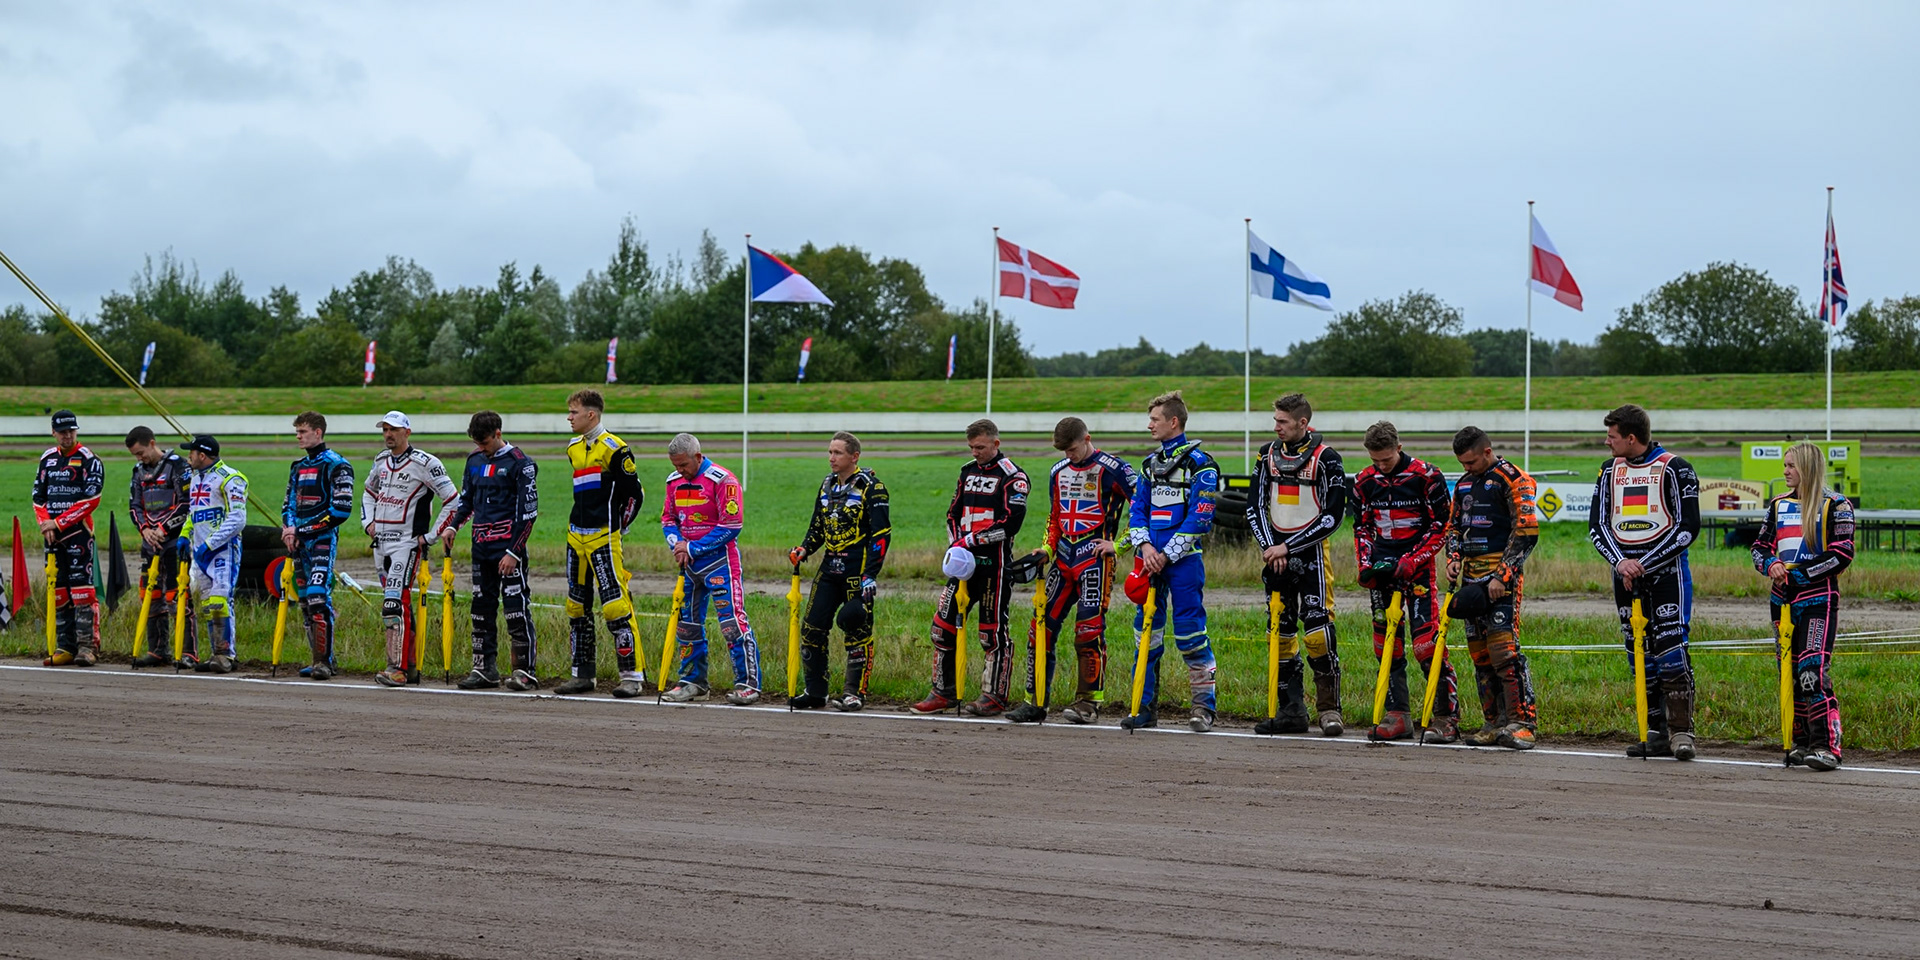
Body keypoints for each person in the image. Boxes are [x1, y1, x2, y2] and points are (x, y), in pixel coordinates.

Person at [1587, 404, 1703, 760]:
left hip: (1667, 574)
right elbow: (1597, 525)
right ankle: (1655, 730)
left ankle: (1682, 732)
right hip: (1625, 576)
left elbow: (1687, 528)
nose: (1607, 442)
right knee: (1641, 655)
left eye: (1612, 436)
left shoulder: (1676, 468)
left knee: (1670, 652)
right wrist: (1621, 562)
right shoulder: (1609, 471)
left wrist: (1644, 564)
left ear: (1631, 438)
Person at [1007, 416, 1137, 725]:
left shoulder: (1115, 469)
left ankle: (1088, 703)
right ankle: (1034, 701)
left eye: (1072, 448)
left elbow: (1143, 510)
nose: (1068, 455)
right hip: (1063, 557)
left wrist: (1118, 546)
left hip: (1096, 558)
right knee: (1039, 629)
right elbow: (1054, 516)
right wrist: (1046, 549)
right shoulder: (1057, 471)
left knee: (1088, 633)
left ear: (1087, 438)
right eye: (1063, 450)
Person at [910, 419, 1029, 717]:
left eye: (980, 447)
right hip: (962, 565)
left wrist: (971, 541)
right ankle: (942, 692)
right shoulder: (967, 472)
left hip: (994, 566)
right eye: (971, 447)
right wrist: (956, 543)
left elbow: (1011, 524)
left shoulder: (1014, 477)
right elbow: (952, 513)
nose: (975, 452)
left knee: (991, 633)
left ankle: (994, 696)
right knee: (942, 627)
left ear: (996, 444)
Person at [1348, 421, 1455, 742]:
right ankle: (1398, 714)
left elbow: (1441, 528)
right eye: (1375, 460)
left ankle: (1446, 717)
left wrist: (1412, 561)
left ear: (1399, 447)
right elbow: (1362, 528)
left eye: (1386, 460)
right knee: (1385, 645)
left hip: (1417, 569)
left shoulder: (1427, 476)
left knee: (1426, 645)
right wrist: (1365, 565)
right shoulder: (1364, 481)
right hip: (1382, 570)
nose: (1381, 466)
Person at [1247, 393, 1347, 736]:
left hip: (1312, 555)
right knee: (1281, 632)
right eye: (1275, 420)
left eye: (1283, 422)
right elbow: (1255, 506)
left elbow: (1333, 516)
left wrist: (1288, 546)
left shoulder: (1327, 458)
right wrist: (1270, 546)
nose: (1276, 427)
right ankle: (1291, 710)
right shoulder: (1266, 455)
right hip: (1274, 554)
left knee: (1318, 633)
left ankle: (1330, 711)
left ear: (1302, 423)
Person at [1751, 441, 1854, 772]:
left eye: (1791, 466)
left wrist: (1801, 576)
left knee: (1811, 672)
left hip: (1818, 599)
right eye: (1784, 465)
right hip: (1781, 601)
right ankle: (1800, 741)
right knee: (1789, 673)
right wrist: (1771, 566)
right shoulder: (1778, 504)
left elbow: (1842, 553)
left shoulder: (1836, 505)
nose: (1785, 471)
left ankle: (1827, 745)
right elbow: (1759, 547)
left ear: (1807, 468)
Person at [1122, 391, 1221, 732]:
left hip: (1183, 562)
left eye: (1155, 419)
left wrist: (1166, 554)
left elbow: (1201, 517)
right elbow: (1137, 511)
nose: (1149, 425)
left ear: (1173, 422)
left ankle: (1203, 710)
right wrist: (1147, 548)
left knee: (1191, 635)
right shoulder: (1149, 464)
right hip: (1148, 562)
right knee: (1146, 635)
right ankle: (1143, 706)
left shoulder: (1202, 464)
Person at [1443, 426, 1540, 750]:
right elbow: (1453, 527)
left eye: (1470, 462)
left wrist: (1502, 576)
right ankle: (1493, 722)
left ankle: (1522, 723)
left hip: (1501, 582)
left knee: (1504, 652)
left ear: (1487, 452)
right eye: (1461, 463)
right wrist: (1453, 558)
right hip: (1471, 581)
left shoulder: (1513, 478)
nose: (1465, 469)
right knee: (1480, 655)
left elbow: (1526, 532)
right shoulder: (1465, 483)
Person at [788, 431, 892, 712]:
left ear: (854, 456)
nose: (831, 458)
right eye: (830, 452)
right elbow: (817, 527)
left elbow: (881, 534)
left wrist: (871, 574)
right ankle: (815, 692)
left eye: (838, 453)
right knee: (811, 627)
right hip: (829, 566)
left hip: (857, 568)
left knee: (855, 626)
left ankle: (854, 694)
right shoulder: (826, 485)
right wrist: (805, 549)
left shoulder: (873, 487)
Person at [437, 411, 540, 691]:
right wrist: (453, 527)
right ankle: (484, 669)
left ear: (498, 433)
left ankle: (524, 671)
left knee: (516, 610)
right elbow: (466, 501)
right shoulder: (473, 461)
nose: (480, 448)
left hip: (508, 551)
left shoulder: (522, 464)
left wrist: (514, 553)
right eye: (476, 443)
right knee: (480, 610)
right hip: (480, 549)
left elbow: (528, 515)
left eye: (484, 442)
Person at [557, 390, 646, 697]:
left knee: (615, 606)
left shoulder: (615, 449)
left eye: (573, 412)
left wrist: (618, 528)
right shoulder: (573, 447)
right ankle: (582, 675)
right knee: (576, 607)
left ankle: (632, 676)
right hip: (575, 537)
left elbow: (636, 494)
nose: (569, 417)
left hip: (603, 538)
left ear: (590, 415)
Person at [659, 432, 760, 704]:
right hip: (688, 566)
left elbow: (731, 525)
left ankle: (747, 684)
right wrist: (677, 543)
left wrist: (693, 547)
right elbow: (668, 518)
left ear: (698, 457)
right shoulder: (674, 482)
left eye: (684, 465)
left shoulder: (723, 480)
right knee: (687, 626)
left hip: (721, 564)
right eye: (675, 465)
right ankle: (693, 682)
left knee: (731, 623)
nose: (680, 470)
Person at [361, 411, 460, 688]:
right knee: (398, 604)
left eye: (393, 430)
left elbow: (453, 500)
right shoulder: (380, 461)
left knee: (393, 604)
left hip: (407, 544)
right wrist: (367, 522)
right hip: (379, 544)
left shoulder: (426, 463)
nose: (388, 435)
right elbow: (369, 493)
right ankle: (411, 666)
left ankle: (397, 669)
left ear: (408, 432)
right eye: (384, 430)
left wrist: (430, 536)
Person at [282, 411, 355, 680]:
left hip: (322, 540)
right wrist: (289, 530)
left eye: (302, 431)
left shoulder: (338, 465)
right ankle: (319, 660)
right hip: (298, 543)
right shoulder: (298, 466)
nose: (298, 436)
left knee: (317, 596)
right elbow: (288, 503)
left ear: (318, 433)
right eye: (297, 432)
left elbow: (341, 511)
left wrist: (302, 529)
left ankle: (325, 662)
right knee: (303, 601)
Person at [33, 410, 104, 666]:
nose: (67, 435)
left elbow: (91, 500)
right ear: (53, 432)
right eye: (62, 431)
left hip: (79, 534)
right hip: (52, 536)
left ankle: (88, 647)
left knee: (83, 592)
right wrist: (45, 524)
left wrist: (59, 522)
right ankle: (66, 646)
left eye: (71, 430)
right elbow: (37, 497)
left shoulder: (89, 459)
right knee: (59, 591)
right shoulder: (47, 459)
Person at [180, 435, 248, 673]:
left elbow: (238, 519)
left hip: (223, 551)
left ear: (202, 455)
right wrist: (184, 534)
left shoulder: (231, 478)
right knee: (208, 603)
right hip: (200, 552)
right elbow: (194, 512)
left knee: (220, 600)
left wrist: (210, 544)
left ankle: (226, 655)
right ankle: (216, 652)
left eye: (192, 452)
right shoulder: (195, 477)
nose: (188, 456)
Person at [125, 426, 192, 668]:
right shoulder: (137, 471)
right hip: (149, 542)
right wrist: (144, 529)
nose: (139, 458)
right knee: (150, 596)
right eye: (135, 455)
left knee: (178, 596)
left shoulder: (178, 465)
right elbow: (134, 506)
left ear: (152, 443)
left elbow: (186, 504)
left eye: (141, 452)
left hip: (173, 541)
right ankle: (157, 650)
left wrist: (163, 529)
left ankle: (187, 653)